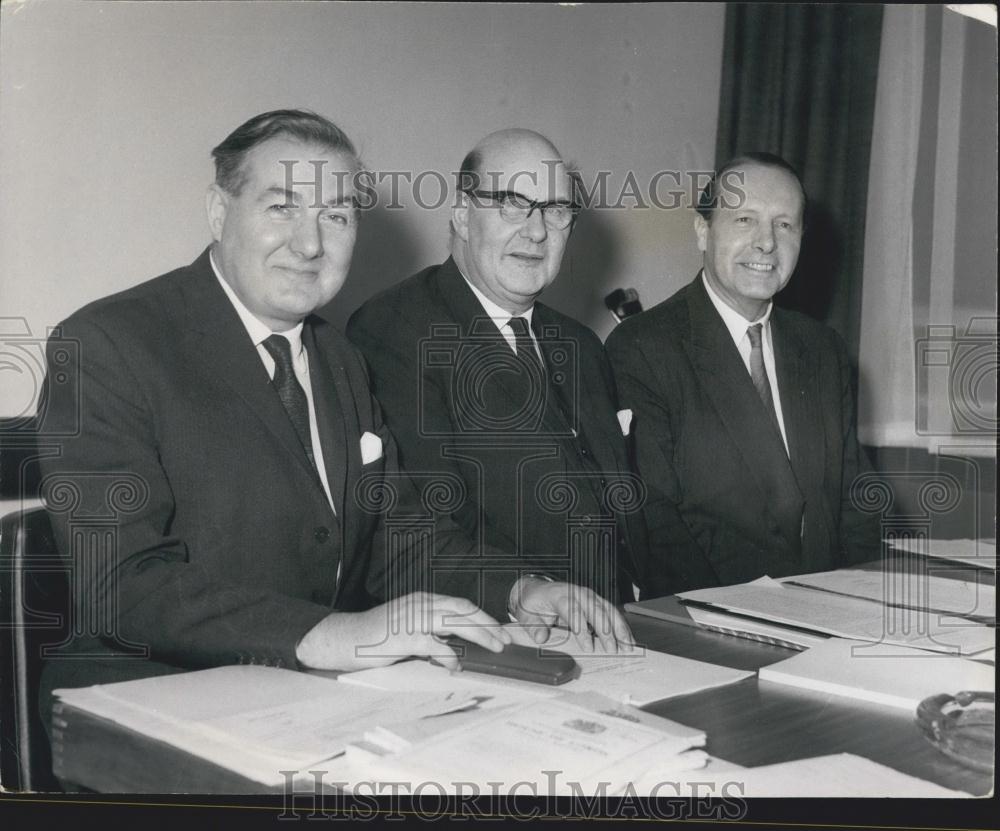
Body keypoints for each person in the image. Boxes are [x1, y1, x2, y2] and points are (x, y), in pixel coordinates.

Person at [36, 110, 518, 718]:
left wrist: (523, 591)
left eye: (336, 216)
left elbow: (402, 538)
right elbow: (123, 583)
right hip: (146, 700)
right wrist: (327, 635)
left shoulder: (340, 356)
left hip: (313, 698)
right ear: (218, 211)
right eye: (282, 208)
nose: (311, 244)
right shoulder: (109, 344)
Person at [347, 129, 643, 643]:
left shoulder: (582, 344)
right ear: (462, 215)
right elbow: (416, 530)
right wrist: (522, 590)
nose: (536, 232)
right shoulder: (395, 330)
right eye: (511, 204)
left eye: (555, 210)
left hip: (621, 632)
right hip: (490, 636)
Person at [605, 152, 879, 596]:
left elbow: (858, 504)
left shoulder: (822, 349)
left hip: (830, 612)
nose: (767, 243)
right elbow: (654, 524)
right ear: (702, 231)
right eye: (745, 220)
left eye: (784, 225)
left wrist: (860, 600)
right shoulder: (643, 347)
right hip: (712, 620)